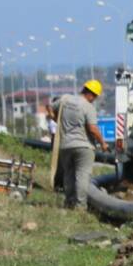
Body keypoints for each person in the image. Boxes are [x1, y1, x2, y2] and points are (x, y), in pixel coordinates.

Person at [53, 80, 108, 209]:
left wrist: (57, 120)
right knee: (82, 175)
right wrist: (103, 143)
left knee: (69, 174)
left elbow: (51, 108)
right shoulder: (88, 107)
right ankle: (80, 206)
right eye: (94, 97)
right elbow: (93, 128)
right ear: (91, 94)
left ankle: (69, 202)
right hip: (84, 146)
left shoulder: (65, 100)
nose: (94, 99)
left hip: (66, 145)